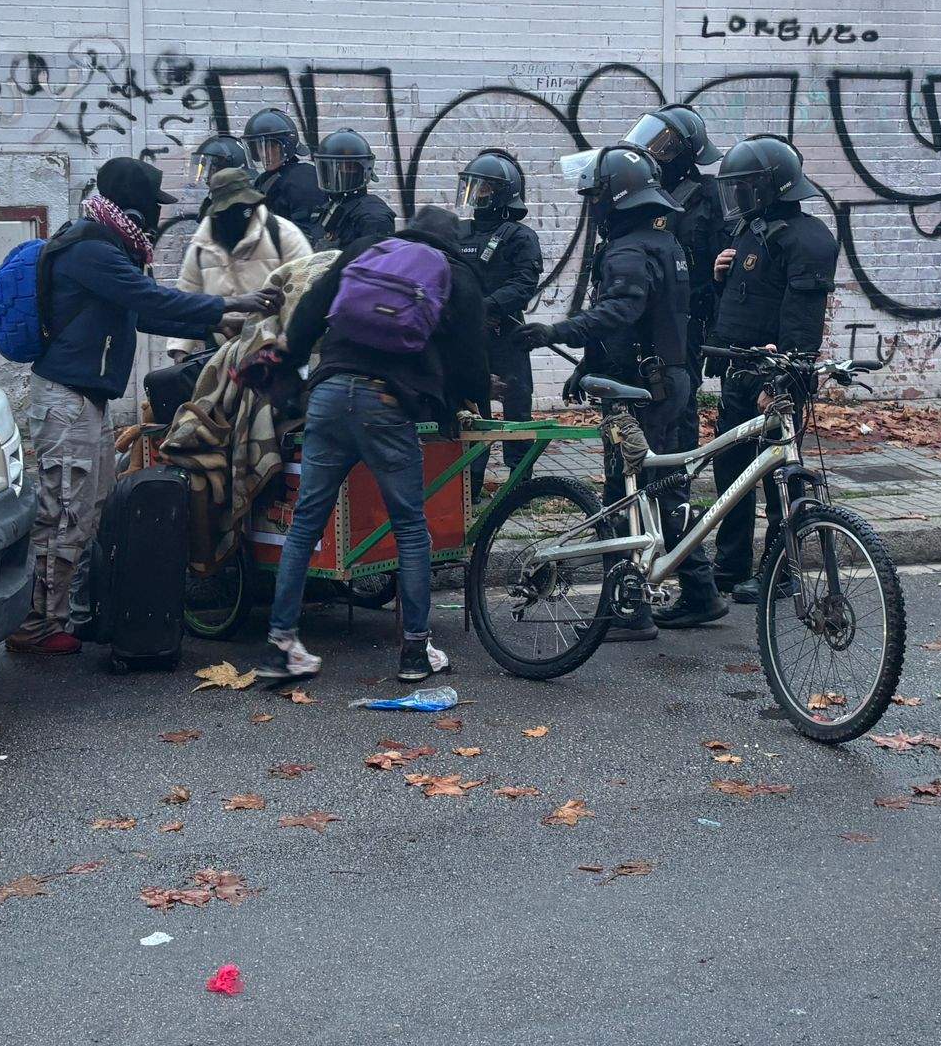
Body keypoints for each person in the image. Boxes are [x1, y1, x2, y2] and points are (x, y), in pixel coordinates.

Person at [7, 156, 277, 656]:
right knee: (63, 511)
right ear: (133, 203)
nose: (156, 215)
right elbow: (150, 300)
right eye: (153, 205)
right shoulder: (93, 250)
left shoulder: (105, 243)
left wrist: (215, 328)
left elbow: (138, 313)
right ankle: (38, 625)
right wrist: (231, 307)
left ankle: (72, 613)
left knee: (88, 508)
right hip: (67, 402)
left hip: (81, 399)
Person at [253, 206, 490, 683]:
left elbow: (308, 314)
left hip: (328, 394)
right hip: (385, 404)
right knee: (409, 528)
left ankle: (282, 647)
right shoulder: (455, 275)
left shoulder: (365, 252)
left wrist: (289, 374)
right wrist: (463, 405)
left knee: (305, 526)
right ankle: (416, 653)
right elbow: (469, 356)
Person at [518, 145, 726, 634]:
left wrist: (556, 332)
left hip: (640, 392)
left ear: (615, 197)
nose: (593, 206)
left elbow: (621, 312)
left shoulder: (629, 250)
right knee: (667, 490)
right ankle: (701, 593)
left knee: (623, 494)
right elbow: (642, 323)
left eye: (595, 196)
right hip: (672, 381)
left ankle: (630, 609)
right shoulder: (665, 242)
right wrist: (587, 366)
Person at [705, 136, 838, 604]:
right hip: (739, 373)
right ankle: (731, 564)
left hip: (773, 381)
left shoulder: (809, 238)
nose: (737, 196)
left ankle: (780, 572)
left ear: (771, 186)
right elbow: (746, 303)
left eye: (745, 186)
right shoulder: (748, 230)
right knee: (732, 472)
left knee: (779, 480)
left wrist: (781, 382)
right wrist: (722, 276)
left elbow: (802, 323)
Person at [456, 149, 543, 491]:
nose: (476, 195)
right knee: (473, 412)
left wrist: (487, 305)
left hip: (506, 334)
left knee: (516, 407)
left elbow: (524, 284)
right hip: (468, 339)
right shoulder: (458, 233)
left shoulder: (520, 236)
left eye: (484, 188)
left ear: (502, 193)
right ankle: (470, 482)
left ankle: (519, 484)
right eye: (472, 187)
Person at [168, 165, 314, 357]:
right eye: (228, 209)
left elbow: (307, 291)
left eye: (241, 208)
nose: (235, 214)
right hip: (220, 352)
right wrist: (180, 350)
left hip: (276, 353)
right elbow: (187, 295)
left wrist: (289, 343)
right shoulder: (201, 245)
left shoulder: (284, 235)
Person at [625, 103, 726, 370]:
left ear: (682, 153)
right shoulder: (640, 197)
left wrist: (720, 335)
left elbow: (725, 271)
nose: (650, 151)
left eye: (663, 145)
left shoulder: (709, 198)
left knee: (678, 399)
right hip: (638, 314)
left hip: (686, 319)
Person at [243, 108, 325, 244]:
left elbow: (307, 234)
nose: (264, 154)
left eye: (272, 146)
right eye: (260, 146)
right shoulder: (264, 179)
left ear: (287, 145)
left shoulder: (303, 178)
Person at [313, 128, 397, 249]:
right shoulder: (334, 205)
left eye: (348, 167)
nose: (338, 174)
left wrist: (339, 256)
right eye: (333, 168)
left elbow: (377, 263)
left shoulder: (373, 216)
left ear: (363, 170)